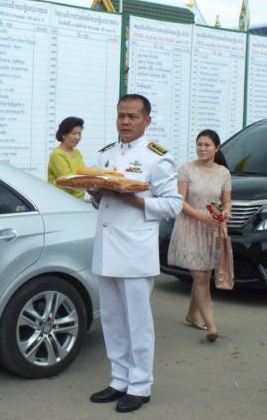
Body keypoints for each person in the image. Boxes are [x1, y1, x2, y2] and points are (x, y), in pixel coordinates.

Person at [88, 94, 183, 413]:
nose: (125, 121)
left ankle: (140, 385)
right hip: (107, 248)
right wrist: (95, 194)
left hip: (135, 251)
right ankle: (119, 379)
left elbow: (173, 204)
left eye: (132, 116)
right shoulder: (105, 154)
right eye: (121, 115)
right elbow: (103, 204)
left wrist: (135, 201)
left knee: (137, 322)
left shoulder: (157, 158)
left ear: (147, 120)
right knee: (112, 319)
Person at [167, 129, 231, 342]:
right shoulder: (186, 170)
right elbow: (180, 202)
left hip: (212, 228)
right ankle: (211, 326)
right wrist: (202, 217)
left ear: (216, 148)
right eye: (199, 144)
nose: (202, 149)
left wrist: (226, 212)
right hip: (189, 225)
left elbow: (227, 201)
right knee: (201, 276)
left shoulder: (223, 173)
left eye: (207, 145)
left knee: (203, 273)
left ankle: (192, 314)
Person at [47, 116, 86, 199]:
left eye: (79, 133)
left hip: (79, 200)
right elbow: (69, 181)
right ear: (63, 134)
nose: (77, 137)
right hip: (63, 202)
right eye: (73, 133)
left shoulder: (77, 152)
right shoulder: (57, 154)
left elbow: (84, 173)